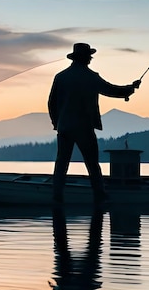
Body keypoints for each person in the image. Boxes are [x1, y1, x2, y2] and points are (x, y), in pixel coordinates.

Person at [48, 43, 141, 203]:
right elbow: (111, 90)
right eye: (89, 56)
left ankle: (57, 196)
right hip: (84, 127)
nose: (91, 58)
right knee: (92, 164)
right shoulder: (91, 77)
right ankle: (100, 195)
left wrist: (57, 123)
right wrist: (129, 89)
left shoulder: (61, 77)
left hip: (64, 127)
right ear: (84, 58)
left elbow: (51, 103)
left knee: (61, 163)